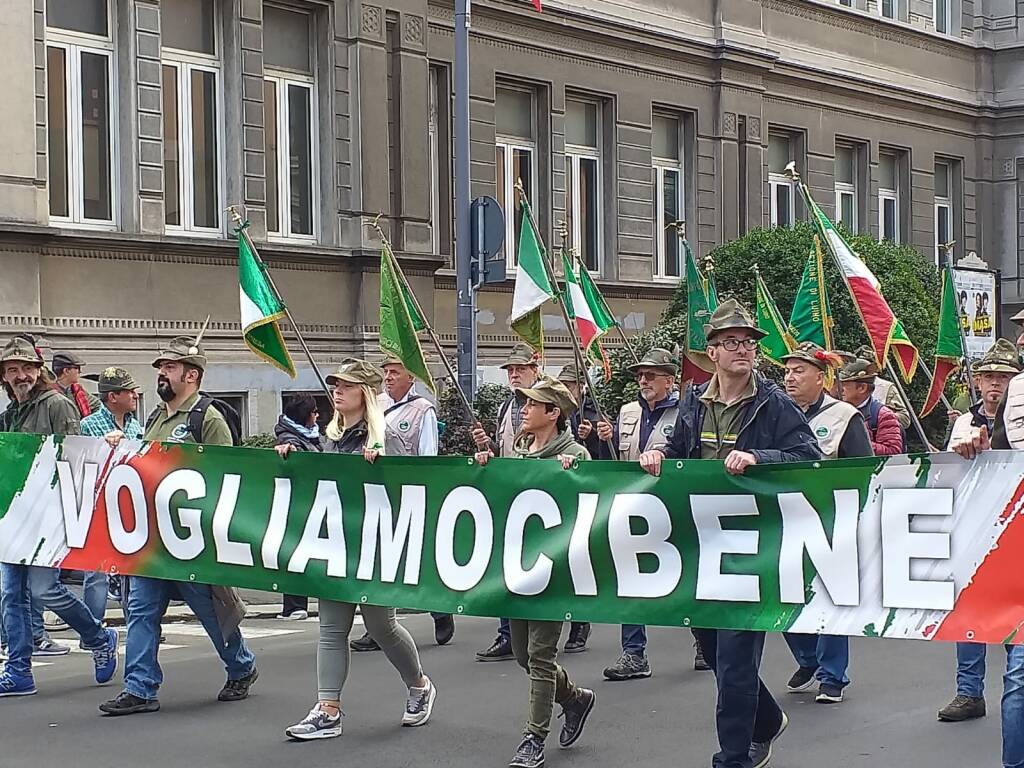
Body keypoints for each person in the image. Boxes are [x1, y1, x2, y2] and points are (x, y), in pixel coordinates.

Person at [637, 299, 820, 768]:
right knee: (713, 648)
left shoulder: (773, 403)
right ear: (712, 352)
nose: (743, 349)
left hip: (751, 547)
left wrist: (762, 459)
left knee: (737, 660)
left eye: (748, 342)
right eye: (731, 342)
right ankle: (766, 719)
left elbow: (811, 459)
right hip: (701, 548)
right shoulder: (695, 403)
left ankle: (733, 758)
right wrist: (657, 458)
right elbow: (678, 452)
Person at [99, 336, 258, 715]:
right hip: (153, 538)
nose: (161, 374)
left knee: (211, 611)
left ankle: (241, 666)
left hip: (191, 540)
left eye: (169, 368)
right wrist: (123, 448)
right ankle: (139, 687)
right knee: (140, 610)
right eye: (161, 368)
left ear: (191, 374)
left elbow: (225, 475)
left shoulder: (209, 418)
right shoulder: (156, 417)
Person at [282, 359, 436, 740]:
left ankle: (419, 685)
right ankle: (328, 708)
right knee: (331, 627)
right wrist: (291, 459)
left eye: (347, 386)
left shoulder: (385, 438)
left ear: (365, 394)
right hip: (337, 544)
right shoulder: (331, 437)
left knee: (381, 626)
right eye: (335, 385)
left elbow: (412, 487)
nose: (337, 391)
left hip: (373, 547)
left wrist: (384, 467)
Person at [474, 376, 596, 768]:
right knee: (524, 656)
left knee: (540, 657)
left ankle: (533, 737)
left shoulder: (575, 454)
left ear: (553, 413)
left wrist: (574, 476)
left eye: (532, 405)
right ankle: (575, 698)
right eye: (523, 404)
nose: (523, 410)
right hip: (518, 570)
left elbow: (591, 505)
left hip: (553, 572)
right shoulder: (522, 452)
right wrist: (487, 468)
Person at [0, 337, 119, 698]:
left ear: (38, 371)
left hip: (48, 515)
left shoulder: (56, 404)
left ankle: (99, 637)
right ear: (4, 376)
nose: (20, 375)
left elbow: (75, 456)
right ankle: (19, 670)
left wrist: (71, 514)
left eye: (26, 368)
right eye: (12, 369)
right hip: (15, 517)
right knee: (10, 595)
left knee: (44, 589)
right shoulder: (8, 415)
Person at [594, 348, 706, 679]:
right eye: (640, 375)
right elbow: (612, 460)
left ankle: (703, 640)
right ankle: (633, 654)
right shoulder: (627, 411)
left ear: (669, 379)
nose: (643, 381)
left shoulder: (686, 413)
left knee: (685, 574)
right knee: (630, 577)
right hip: (632, 506)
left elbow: (693, 455)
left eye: (651, 375)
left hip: (672, 506)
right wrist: (605, 440)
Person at [780, 342, 873, 705]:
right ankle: (808, 659)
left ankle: (832, 677)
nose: (790, 377)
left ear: (821, 377)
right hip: (784, 519)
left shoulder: (843, 416)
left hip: (831, 520)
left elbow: (863, 470)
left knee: (832, 601)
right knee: (783, 595)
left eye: (798, 370)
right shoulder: (774, 412)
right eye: (787, 370)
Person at [938, 339, 1021, 723]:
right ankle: (968, 692)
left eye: (1003, 377)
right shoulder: (964, 422)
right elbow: (948, 474)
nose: (995, 385)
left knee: (1012, 613)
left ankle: (1013, 687)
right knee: (969, 612)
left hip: (1013, 533)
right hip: (974, 530)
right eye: (989, 376)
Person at [349, 354, 455, 651]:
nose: (389, 377)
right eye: (386, 372)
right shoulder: (376, 405)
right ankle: (377, 626)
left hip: (407, 494)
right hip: (377, 495)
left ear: (411, 377)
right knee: (379, 560)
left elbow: (427, 457)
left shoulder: (423, 411)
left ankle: (440, 608)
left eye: (395, 372)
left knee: (415, 560)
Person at [949, 394, 1024, 768]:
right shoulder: (1017, 393)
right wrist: (981, 455)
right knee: (1021, 677)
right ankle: (968, 692)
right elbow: (1006, 464)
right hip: (1015, 551)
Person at [473, 343, 540, 662]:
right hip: (509, 494)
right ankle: (507, 634)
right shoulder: (504, 407)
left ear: (534, 370)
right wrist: (489, 451)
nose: (514, 374)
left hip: (540, 496)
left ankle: (548, 629)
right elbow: (505, 451)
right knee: (504, 564)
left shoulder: (547, 402)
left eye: (520, 369)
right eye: (510, 370)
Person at [79, 367, 145, 623]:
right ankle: (93, 628)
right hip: (99, 506)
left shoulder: (136, 425)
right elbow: (83, 463)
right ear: (113, 396)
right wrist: (104, 446)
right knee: (97, 570)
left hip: (130, 504)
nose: (136, 395)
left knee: (132, 569)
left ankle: (137, 623)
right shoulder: (89, 425)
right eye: (129, 391)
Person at [553, 362, 606, 654]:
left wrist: (595, 439)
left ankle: (580, 622)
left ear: (582, 387)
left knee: (578, 561)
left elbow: (607, 462)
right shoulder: (553, 414)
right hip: (556, 501)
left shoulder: (595, 416)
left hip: (584, 499)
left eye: (571, 385)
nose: (566, 391)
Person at [273, 393, 323, 622]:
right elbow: (289, 451)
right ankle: (294, 605)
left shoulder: (313, 437)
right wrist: (288, 450)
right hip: (298, 506)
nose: (318, 416)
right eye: (314, 412)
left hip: (314, 503)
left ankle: (296, 605)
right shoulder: (289, 437)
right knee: (295, 552)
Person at [838, 358, 904, 456]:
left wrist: (856, 443)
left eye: (844, 385)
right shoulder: (836, 410)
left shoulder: (882, 415)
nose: (840, 389)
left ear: (862, 388)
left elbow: (892, 451)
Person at [852, 346, 911, 433]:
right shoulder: (847, 385)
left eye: (868, 365)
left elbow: (905, 419)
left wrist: (881, 416)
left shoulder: (886, 387)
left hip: (879, 437)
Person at [52, 350, 101, 419]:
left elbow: (98, 405)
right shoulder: (50, 392)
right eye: (77, 368)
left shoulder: (77, 390)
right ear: (66, 371)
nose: (80, 372)